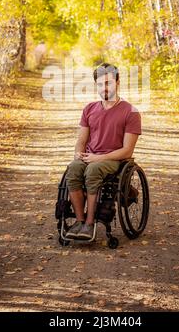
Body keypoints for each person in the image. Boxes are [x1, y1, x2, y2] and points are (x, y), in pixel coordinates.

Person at [65, 62, 142, 240]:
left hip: (114, 159)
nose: (104, 88)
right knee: (73, 169)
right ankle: (79, 221)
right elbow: (81, 140)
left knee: (93, 170)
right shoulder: (89, 109)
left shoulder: (131, 112)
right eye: (100, 84)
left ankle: (89, 224)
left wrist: (98, 158)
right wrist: (79, 154)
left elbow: (127, 151)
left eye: (108, 83)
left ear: (117, 82)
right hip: (90, 156)